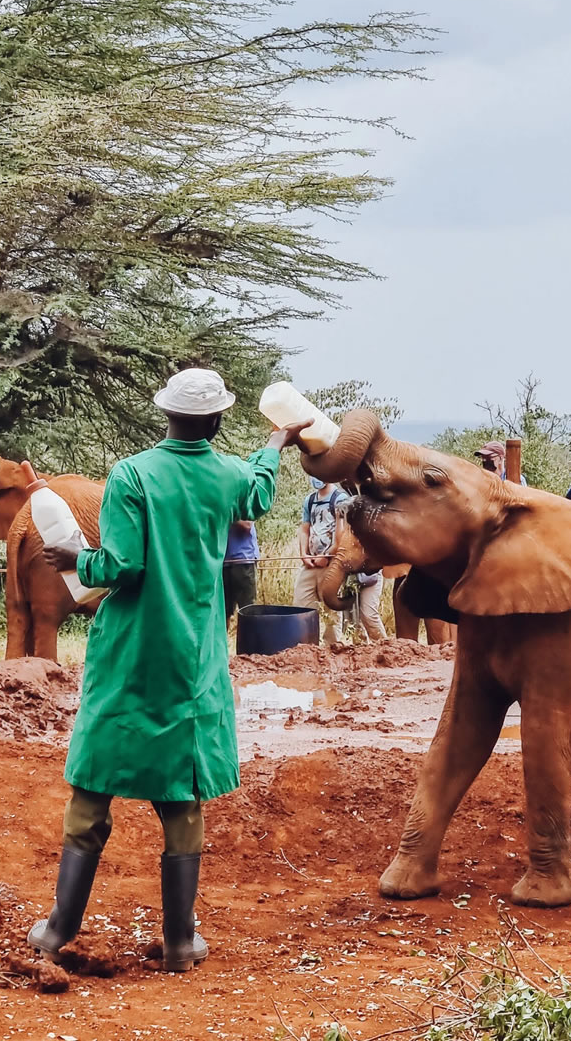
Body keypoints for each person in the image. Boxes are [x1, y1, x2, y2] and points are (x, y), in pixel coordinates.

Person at [30, 368, 310, 972]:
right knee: (182, 797)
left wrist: (78, 556)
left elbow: (121, 565)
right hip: (194, 657)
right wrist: (275, 442)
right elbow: (259, 491)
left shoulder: (133, 473)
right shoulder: (227, 474)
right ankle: (181, 941)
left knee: (93, 783)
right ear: (214, 421)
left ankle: (57, 931)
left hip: (130, 653)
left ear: (166, 414)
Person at [293, 478, 387, 643]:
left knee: (332, 614)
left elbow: (342, 536)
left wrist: (327, 555)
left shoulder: (340, 499)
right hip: (310, 563)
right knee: (302, 607)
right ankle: (306, 649)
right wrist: (304, 554)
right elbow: (304, 528)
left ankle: (333, 648)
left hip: (332, 564)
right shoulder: (309, 500)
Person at [223, 519, 259, 627]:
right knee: (223, 612)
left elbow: (247, 524)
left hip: (243, 559)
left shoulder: (242, 502)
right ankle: (224, 643)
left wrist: (225, 511)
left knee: (248, 611)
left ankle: (251, 643)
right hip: (222, 561)